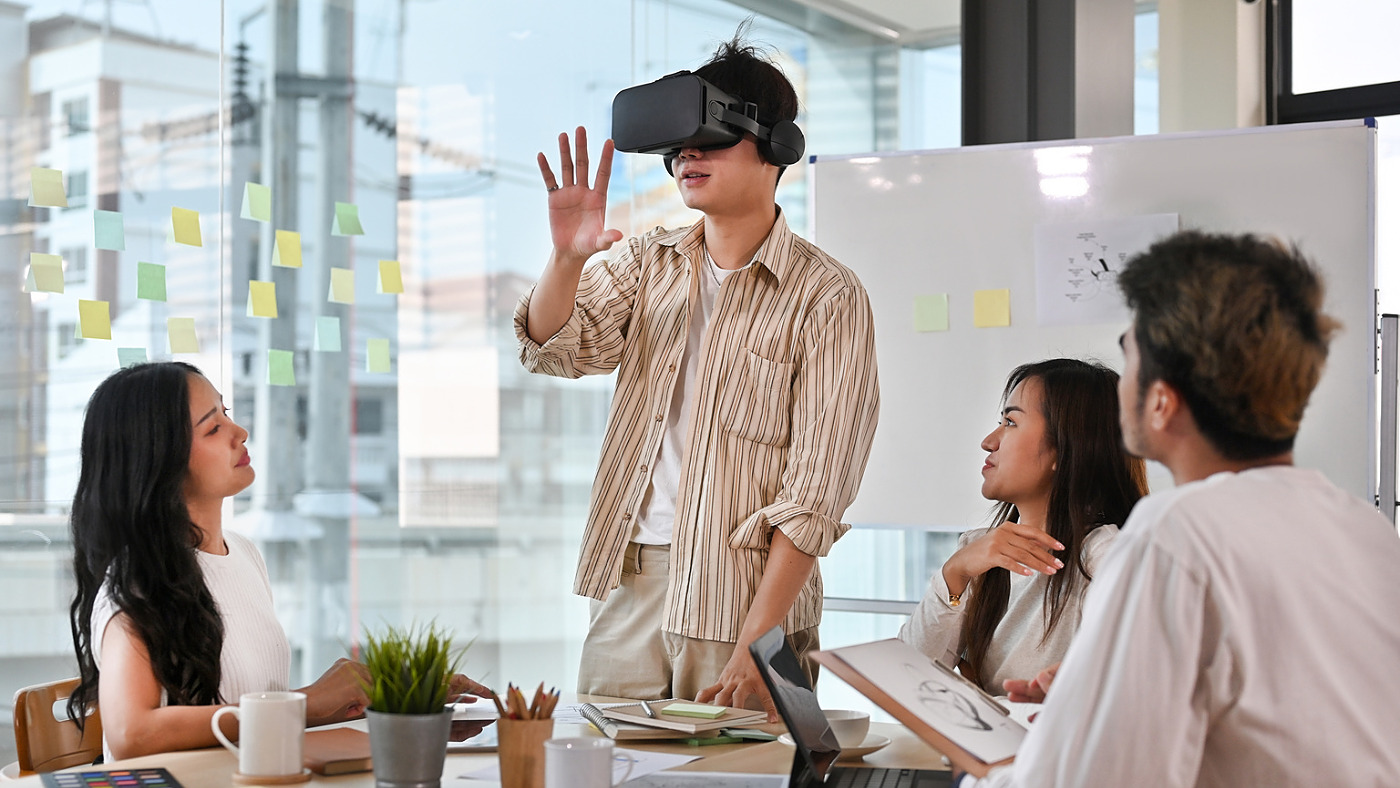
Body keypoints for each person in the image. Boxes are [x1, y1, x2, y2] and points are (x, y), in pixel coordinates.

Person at [515, 34, 879, 715]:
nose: (688, 156)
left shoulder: (828, 296)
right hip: (633, 586)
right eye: (678, 145)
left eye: (709, 138)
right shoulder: (649, 262)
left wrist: (757, 641)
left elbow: (817, 495)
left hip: (749, 601)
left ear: (775, 147)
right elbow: (554, 349)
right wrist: (566, 259)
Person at [964, 231, 1400, 787]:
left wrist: (984, 773)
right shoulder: (1364, 529)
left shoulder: (1174, 537)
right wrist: (1089, 705)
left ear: (1162, 402)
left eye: (1130, 356)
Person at [67, 363, 488, 759]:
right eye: (213, 428)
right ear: (158, 460)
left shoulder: (245, 555)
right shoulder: (134, 582)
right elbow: (130, 734)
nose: (240, 431)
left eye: (226, 413)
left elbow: (257, 721)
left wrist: (403, 705)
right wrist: (303, 702)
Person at [899, 359, 1146, 695]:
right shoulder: (979, 552)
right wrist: (955, 573)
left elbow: (1125, 693)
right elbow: (906, 680)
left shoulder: (1107, 556)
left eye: (1011, 422)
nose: (989, 441)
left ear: (1066, 448)